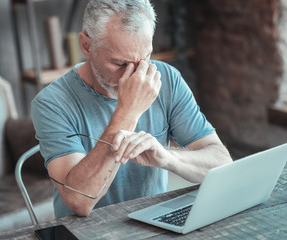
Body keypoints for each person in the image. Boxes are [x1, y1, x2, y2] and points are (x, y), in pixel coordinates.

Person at [31, 0, 232, 219]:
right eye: (120, 64)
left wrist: (167, 158)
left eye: (145, 58)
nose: (136, 75)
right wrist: (128, 112)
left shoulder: (167, 79)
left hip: (154, 223)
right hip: (86, 231)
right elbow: (79, 201)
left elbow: (222, 163)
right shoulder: (52, 103)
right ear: (87, 46)